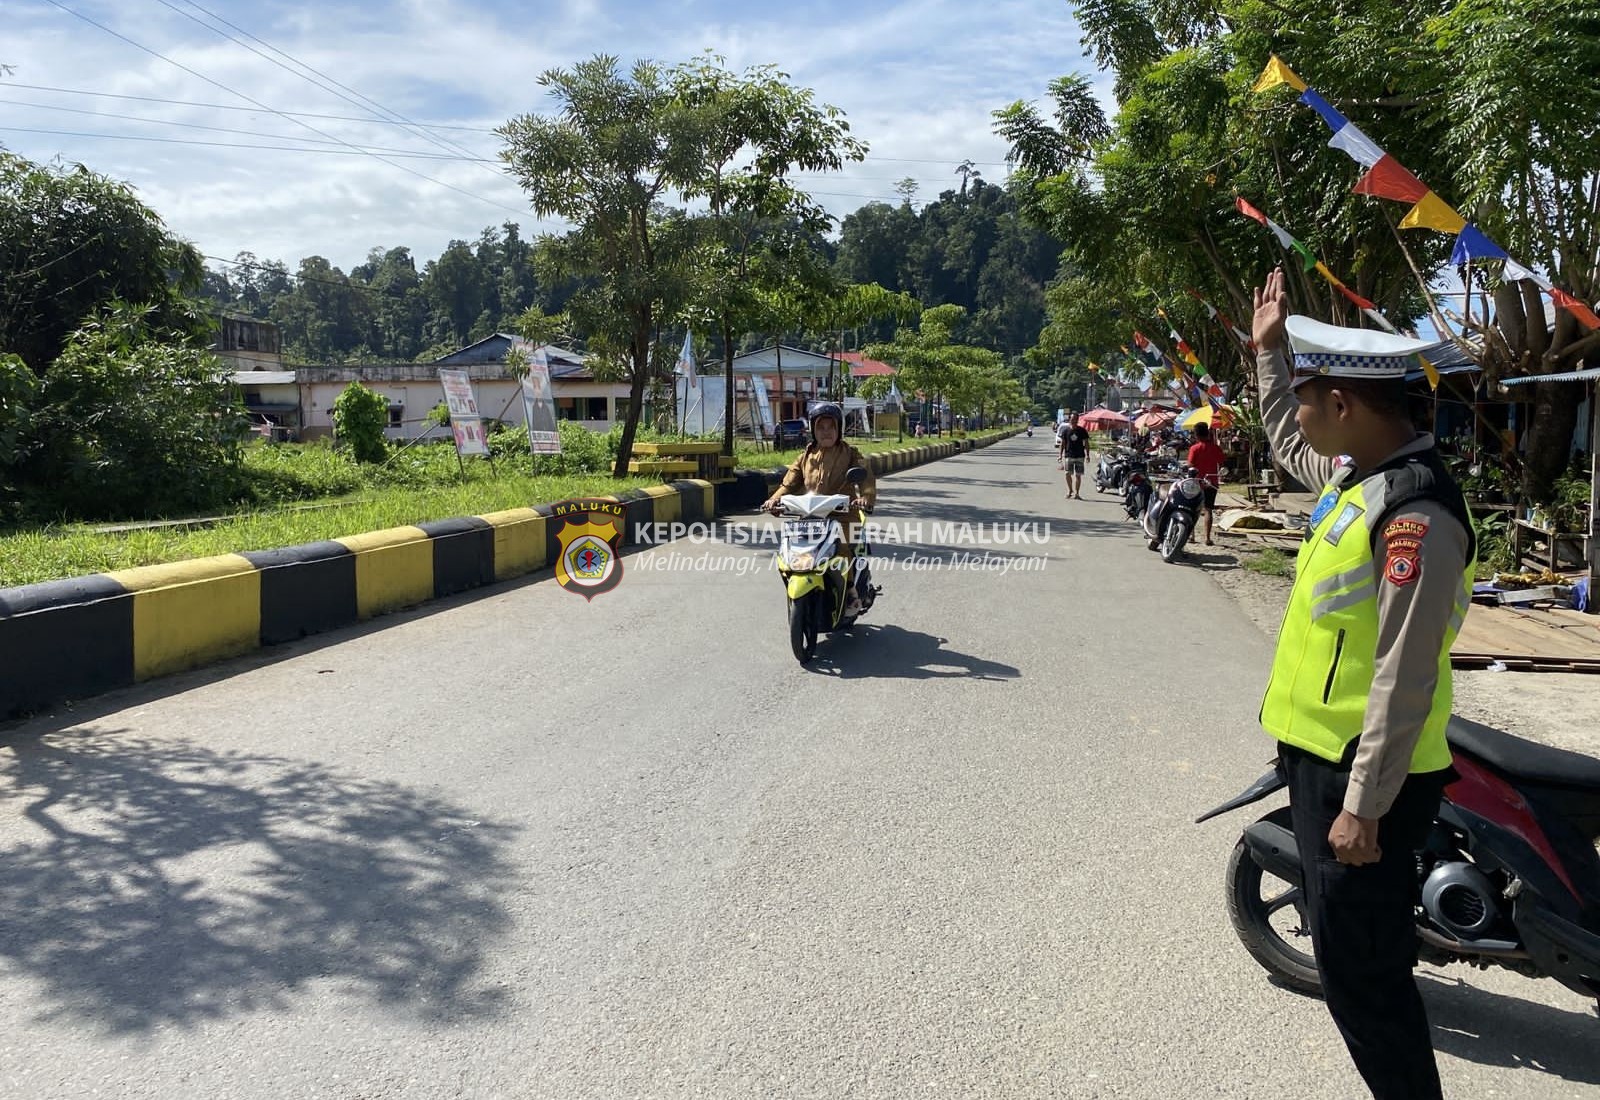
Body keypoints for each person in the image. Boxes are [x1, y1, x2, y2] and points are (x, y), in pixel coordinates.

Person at [1251, 268, 1475, 1100]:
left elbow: (1404, 672)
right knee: (1355, 960)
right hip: (1321, 755)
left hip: (1362, 776)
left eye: (1311, 394)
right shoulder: (1358, 480)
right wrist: (1271, 356)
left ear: (1345, 405)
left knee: (1364, 979)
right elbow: (1285, 436)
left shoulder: (1416, 513)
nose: (1300, 410)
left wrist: (1363, 804)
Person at [764, 402, 879, 613]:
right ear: (813, 430)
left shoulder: (851, 454)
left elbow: (866, 479)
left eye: (831, 427)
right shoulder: (804, 457)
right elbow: (787, 485)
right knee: (791, 549)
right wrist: (774, 500)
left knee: (840, 545)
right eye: (820, 427)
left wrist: (866, 498)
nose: (826, 432)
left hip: (843, 515)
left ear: (839, 429)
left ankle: (851, 592)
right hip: (810, 517)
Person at [1185, 422, 1227, 545]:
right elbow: (1222, 463)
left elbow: (1190, 465)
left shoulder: (1194, 448)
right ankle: (1207, 538)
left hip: (1196, 482)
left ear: (1196, 434)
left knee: (1192, 509)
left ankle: (1191, 536)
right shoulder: (1215, 448)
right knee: (1208, 509)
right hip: (1211, 482)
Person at [1059, 413, 1090, 498]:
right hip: (1069, 455)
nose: (1074, 421)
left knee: (1078, 475)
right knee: (1067, 474)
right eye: (1072, 419)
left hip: (1080, 456)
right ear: (1070, 420)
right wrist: (1060, 455)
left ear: (1078, 420)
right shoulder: (1065, 431)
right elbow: (1063, 444)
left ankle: (1077, 493)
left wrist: (1088, 455)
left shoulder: (1082, 430)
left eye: (1075, 419)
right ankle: (1070, 490)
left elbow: (1086, 443)